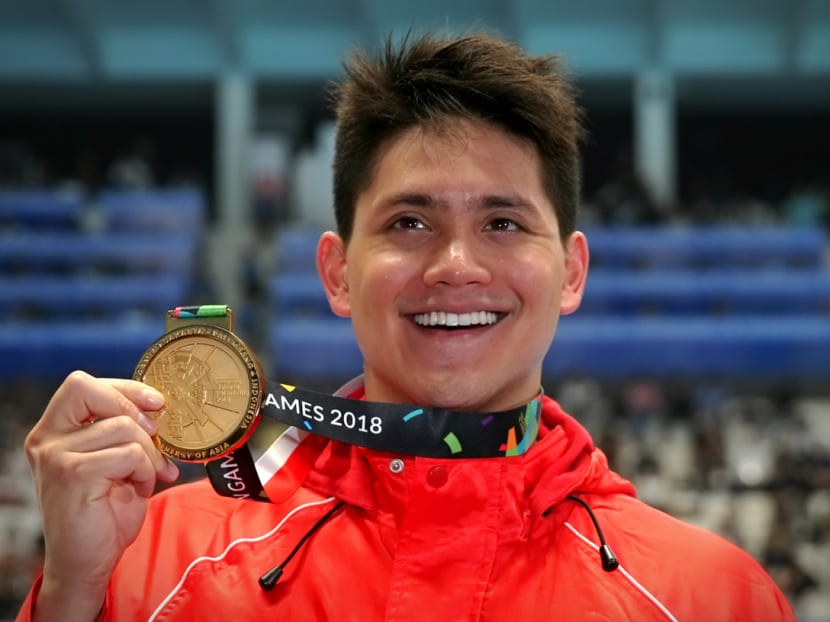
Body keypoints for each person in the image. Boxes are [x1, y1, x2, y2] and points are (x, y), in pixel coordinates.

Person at [18, 32, 794, 621]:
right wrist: (72, 597)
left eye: (503, 221)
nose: (456, 264)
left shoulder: (708, 596)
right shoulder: (153, 562)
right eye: (411, 220)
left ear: (572, 273)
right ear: (337, 273)